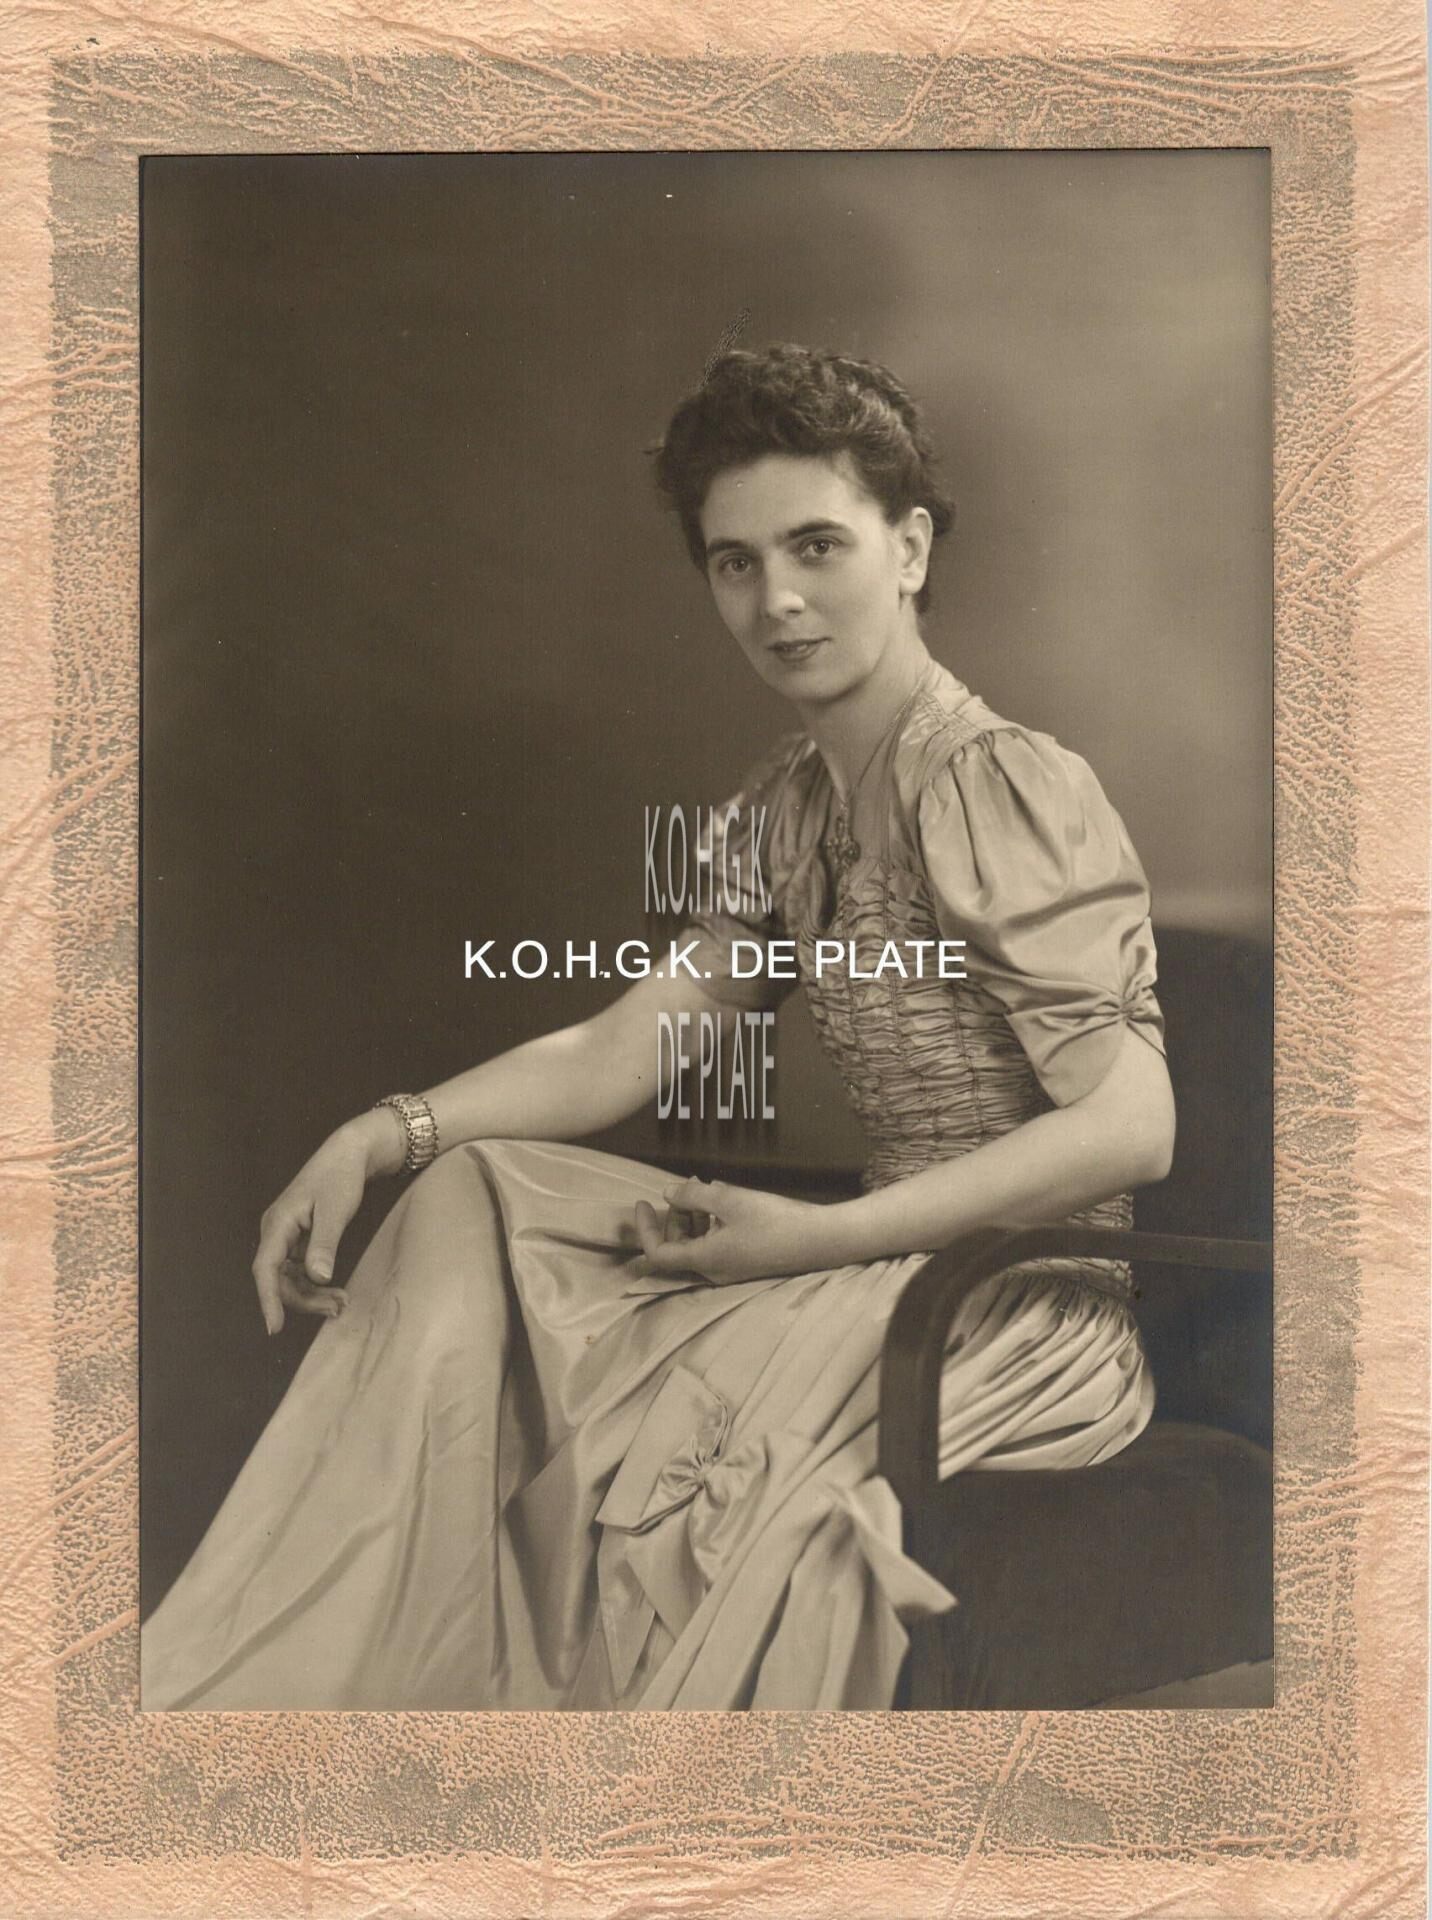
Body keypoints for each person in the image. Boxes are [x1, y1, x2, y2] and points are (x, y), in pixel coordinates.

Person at [140, 344, 1175, 1712]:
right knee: (472, 1194)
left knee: (684, 1512)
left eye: (817, 545)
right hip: (868, 1276)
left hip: (1010, 1316)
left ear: (911, 548)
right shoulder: (786, 807)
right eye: (736, 562)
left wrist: (817, 1239)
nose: (777, 599)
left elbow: (1133, 1127)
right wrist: (377, 1135)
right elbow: (628, 1046)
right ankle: (322, 1705)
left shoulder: (1005, 780)